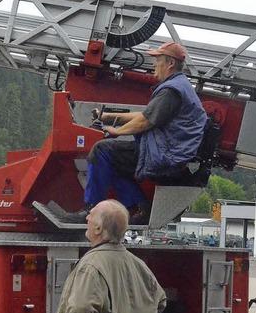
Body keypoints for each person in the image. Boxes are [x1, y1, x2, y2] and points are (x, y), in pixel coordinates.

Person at [74, 42, 208, 224]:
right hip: (169, 151)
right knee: (114, 160)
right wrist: (108, 117)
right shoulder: (179, 86)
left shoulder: (171, 91)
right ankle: (138, 207)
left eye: (158, 60)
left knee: (101, 151)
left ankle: (91, 209)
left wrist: (117, 131)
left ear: (170, 64)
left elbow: (146, 120)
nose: (154, 64)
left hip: (164, 154)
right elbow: (147, 114)